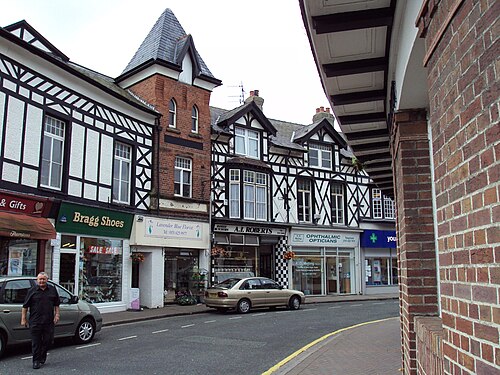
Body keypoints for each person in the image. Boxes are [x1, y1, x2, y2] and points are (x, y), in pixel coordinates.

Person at [21, 272, 60, 369]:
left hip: (48, 321)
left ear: (47, 280)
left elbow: (57, 304)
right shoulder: (32, 291)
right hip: (35, 321)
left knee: (48, 341)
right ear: (37, 280)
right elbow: (25, 306)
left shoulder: (52, 289)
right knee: (36, 342)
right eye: (40, 279)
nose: (42, 281)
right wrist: (23, 319)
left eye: (43, 279)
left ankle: (42, 356)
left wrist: (57, 315)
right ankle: (36, 360)